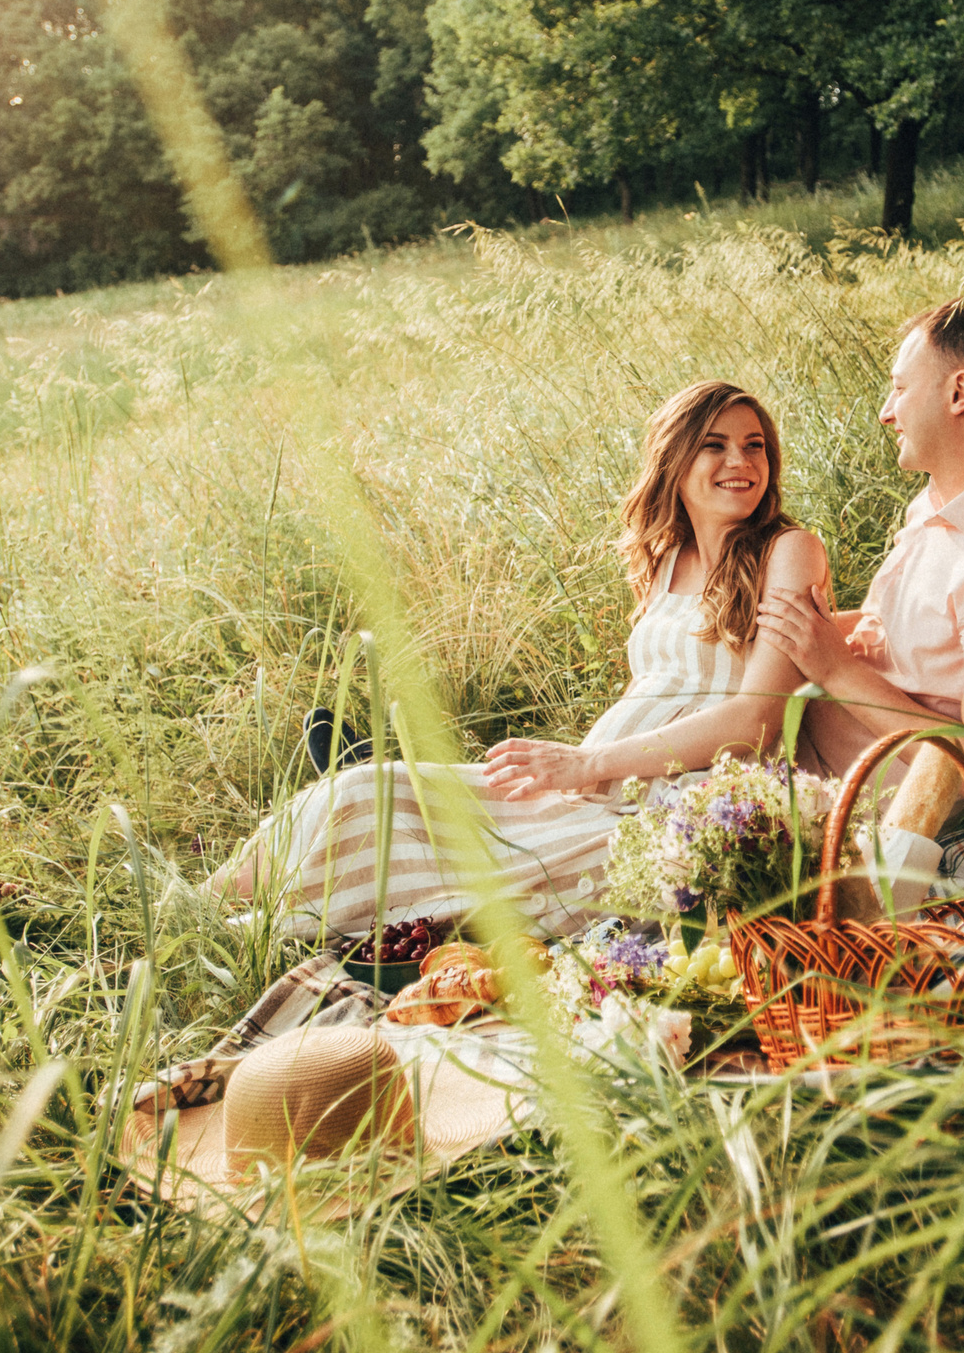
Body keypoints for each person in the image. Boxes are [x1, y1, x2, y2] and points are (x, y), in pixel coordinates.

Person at [209, 380, 830, 936]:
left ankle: (250, 928)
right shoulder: (667, 560)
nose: (741, 462)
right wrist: (584, 772)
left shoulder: (788, 551)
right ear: (674, 461)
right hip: (595, 788)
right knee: (364, 790)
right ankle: (200, 906)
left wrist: (586, 762)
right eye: (715, 445)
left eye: (755, 446)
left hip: (679, 809)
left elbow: (757, 720)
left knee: (447, 856)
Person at [754, 290, 964, 908]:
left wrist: (833, 667)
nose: (885, 411)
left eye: (900, 389)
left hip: (861, 817)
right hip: (798, 750)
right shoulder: (944, 499)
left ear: (960, 394)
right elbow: (906, 642)